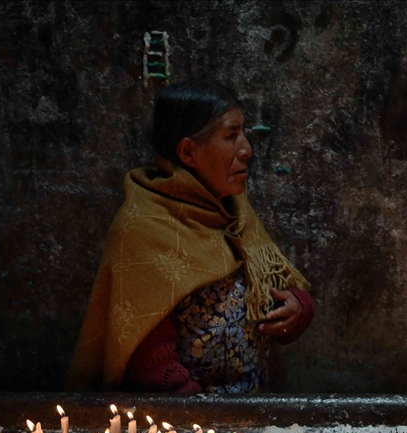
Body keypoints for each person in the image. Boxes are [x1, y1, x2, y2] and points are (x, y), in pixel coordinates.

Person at [67, 82, 315, 392]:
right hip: (189, 412)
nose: (247, 150)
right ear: (188, 152)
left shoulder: (235, 211)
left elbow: (274, 287)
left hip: (253, 405)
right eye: (231, 136)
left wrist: (297, 308)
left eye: (243, 133)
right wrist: (200, 412)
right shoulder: (143, 227)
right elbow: (147, 357)